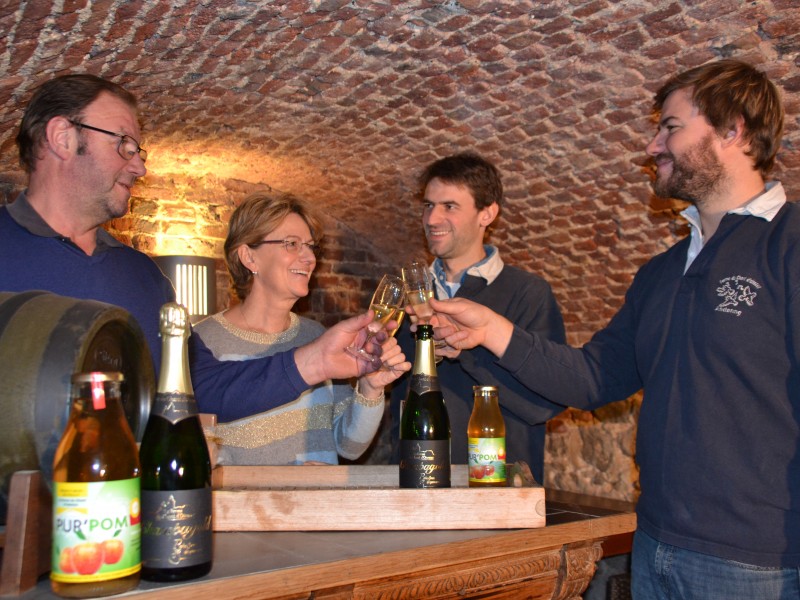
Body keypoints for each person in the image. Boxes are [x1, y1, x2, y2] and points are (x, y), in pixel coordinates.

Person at [428, 60, 800, 598]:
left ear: (732, 129)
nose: (653, 146)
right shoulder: (662, 272)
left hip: (759, 565)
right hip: (654, 543)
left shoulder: (788, 248)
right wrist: (490, 328)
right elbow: (593, 377)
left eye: (671, 127)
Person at [0, 73, 397, 420]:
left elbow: (198, 390)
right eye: (123, 144)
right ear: (62, 137)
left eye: (138, 150)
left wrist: (317, 360)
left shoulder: (141, 275)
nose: (139, 166)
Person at [193, 192, 409, 464]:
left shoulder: (316, 336)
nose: (309, 257)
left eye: (310, 246)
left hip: (320, 506)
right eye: (292, 244)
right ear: (249, 257)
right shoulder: (204, 342)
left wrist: (370, 388)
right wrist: (286, 482)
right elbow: (205, 462)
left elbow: (349, 446)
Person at [389, 152, 566, 484]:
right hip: (416, 483)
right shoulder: (405, 297)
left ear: (487, 213)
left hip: (496, 488)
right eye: (428, 205)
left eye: (449, 206)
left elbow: (546, 404)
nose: (432, 218)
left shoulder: (528, 293)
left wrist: (466, 349)